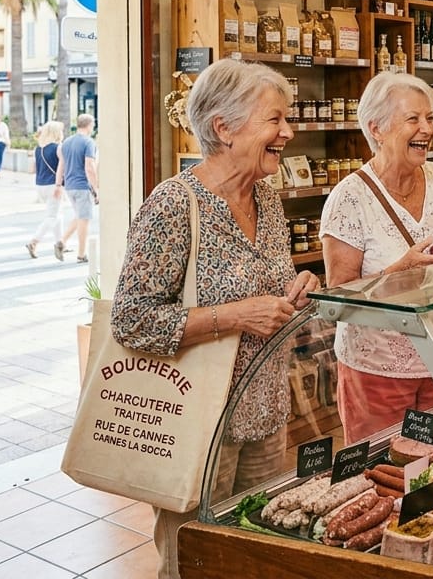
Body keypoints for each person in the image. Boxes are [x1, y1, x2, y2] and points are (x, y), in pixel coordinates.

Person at [110, 58, 318, 579]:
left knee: (254, 549)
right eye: (274, 120)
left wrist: (297, 292)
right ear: (223, 128)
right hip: (196, 417)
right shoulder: (174, 204)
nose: (287, 132)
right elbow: (131, 319)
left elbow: (268, 292)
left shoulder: (267, 200)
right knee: (193, 559)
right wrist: (234, 316)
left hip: (265, 408)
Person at [319, 72, 433, 444]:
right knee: (382, 477)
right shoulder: (350, 197)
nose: (427, 129)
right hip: (377, 370)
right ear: (376, 129)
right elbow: (338, 296)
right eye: (413, 119)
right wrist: (398, 270)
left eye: (429, 118)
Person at [56, 114, 99, 263]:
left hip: (70, 185)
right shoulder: (88, 142)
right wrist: (97, 188)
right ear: (89, 125)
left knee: (79, 216)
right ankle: (81, 254)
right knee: (84, 219)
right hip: (82, 186)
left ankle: (62, 241)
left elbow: (61, 165)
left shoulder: (66, 142)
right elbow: (90, 167)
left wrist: (58, 184)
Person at [25, 121, 66, 260]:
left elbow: (32, 169)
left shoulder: (38, 149)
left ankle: (59, 243)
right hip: (53, 185)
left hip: (40, 184)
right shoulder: (58, 148)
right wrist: (59, 185)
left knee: (57, 213)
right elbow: (61, 167)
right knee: (52, 217)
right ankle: (34, 242)